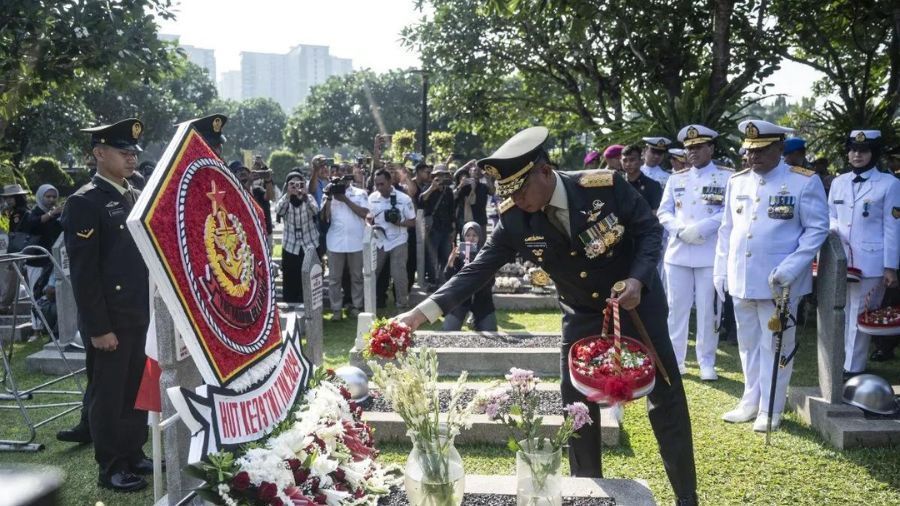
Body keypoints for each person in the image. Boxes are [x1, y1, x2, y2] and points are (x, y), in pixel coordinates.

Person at [396, 127, 697, 504]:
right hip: (582, 313)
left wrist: (637, 279)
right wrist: (418, 316)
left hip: (636, 307)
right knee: (577, 411)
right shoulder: (514, 219)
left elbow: (650, 231)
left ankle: (688, 497)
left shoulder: (604, 186)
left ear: (544, 171)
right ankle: (588, 492)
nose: (517, 200)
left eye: (521, 190)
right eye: (509, 193)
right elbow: (476, 272)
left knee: (666, 399)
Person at [714, 120, 828, 432]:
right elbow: (727, 230)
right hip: (741, 279)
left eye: (762, 150)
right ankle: (750, 400)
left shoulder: (803, 181)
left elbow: (816, 229)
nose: (754, 157)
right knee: (748, 343)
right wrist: (720, 270)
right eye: (750, 151)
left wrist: (793, 267)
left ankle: (771, 408)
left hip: (780, 284)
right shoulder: (737, 182)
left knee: (776, 345)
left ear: (779, 148)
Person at [60, 118, 152, 491]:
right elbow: (84, 274)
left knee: (135, 387)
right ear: (99, 153)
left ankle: (132, 451)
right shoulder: (85, 202)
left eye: (133, 153)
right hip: (110, 317)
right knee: (108, 391)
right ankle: (111, 464)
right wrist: (98, 327)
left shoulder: (134, 193)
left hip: (138, 311)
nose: (131, 159)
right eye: (123, 152)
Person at [658, 125, 732, 380]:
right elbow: (663, 211)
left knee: (707, 310)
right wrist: (679, 230)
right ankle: (675, 359)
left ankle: (706, 361)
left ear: (711, 148)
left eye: (699, 147)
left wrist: (702, 228)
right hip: (678, 253)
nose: (693, 152)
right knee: (676, 309)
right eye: (689, 148)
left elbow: (729, 213)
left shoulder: (727, 177)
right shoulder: (676, 178)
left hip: (708, 252)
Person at [827, 130, 900, 377]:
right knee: (843, 311)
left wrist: (890, 266)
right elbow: (831, 218)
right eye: (853, 150)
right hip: (841, 259)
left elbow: (893, 227)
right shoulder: (838, 182)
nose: (857, 154)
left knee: (860, 313)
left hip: (871, 260)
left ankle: (853, 367)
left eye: (864, 150)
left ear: (874, 154)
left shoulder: (890, 184)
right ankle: (842, 360)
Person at [322, 165, 369, 321]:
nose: (341, 175)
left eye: (345, 173)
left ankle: (356, 306)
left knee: (356, 276)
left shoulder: (360, 193)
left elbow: (365, 214)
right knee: (334, 278)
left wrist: (345, 199)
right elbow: (325, 217)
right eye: (338, 172)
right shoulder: (329, 193)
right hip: (335, 242)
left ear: (350, 176)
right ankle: (336, 309)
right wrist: (329, 197)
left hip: (356, 240)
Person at [368, 169, 416, 308]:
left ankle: (402, 304)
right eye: (377, 184)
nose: (379, 187)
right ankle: (369, 303)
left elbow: (413, 221)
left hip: (398, 240)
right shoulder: (372, 197)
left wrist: (399, 222)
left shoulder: (403, 198)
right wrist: (369, 224)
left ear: (390, 182)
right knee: (372, 272)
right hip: (379, 240)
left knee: (399, 274)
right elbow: (368, 217)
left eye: (382, 184)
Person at [23, 184, 63, 335]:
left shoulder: (58, 213)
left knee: (51, 292)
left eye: (54, 197)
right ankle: (36, 329)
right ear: (40, 197)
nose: (51, 200)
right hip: (36, 259)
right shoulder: (33, 212)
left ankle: (48, 325)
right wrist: (52, 214)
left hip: (53, 258)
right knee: (36, 292)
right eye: (48, 196)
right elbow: (33, 224)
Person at [441, 221, 497, 331]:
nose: (471, 238)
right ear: (463, 236)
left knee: (491, 332)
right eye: (468, 235)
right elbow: (448, 278)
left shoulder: (485, 253)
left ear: (480, 237)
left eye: (474, 235)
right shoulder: (458, 253)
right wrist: (451, 262)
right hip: (459, 300)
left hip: (482, 301)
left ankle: (474, 320)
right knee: (448, 331)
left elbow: (491, 281)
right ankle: (471, 319)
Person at [275, 171, 320, 304]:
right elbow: (279, 211)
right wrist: (288, 194)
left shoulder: (308, 197)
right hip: (291, 245)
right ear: (287, 185)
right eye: (292, 184)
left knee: (309, 276)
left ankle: (311, 306)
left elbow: (315, 211)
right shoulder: (285, 199)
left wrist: (305, 196)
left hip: (309, 243)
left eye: (299, 184)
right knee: (290, 277)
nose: (296, 187)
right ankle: (291, 305)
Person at [418, 164, 456, 288]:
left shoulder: (448, 191)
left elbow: (452, 210)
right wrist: (432, 188)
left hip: (446, 229)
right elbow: (421, 201)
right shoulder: (427, 188)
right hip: (433, 229)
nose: (441, 178)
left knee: (446, 255)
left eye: (443, 175)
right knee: (432, 256)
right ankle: (433, 281)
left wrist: (453, 228)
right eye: (438, 175)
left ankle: (444, 280)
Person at [230, 160, 276, 252]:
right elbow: (243, 197)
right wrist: (249, 182)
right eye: (238, 171)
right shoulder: (232, 194)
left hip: (263, 235)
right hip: (243, 237)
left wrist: (268, 180)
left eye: (244, 170)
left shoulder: (258, 190)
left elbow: (270, 196)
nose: (242, 173)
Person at [453, 160, 492, 245]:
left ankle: (479, 259)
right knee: (467, 246)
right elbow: (453, 195)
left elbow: (492, 192)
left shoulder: (483, 186)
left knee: (481, 244)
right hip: (466, 221)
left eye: (479, 170)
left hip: (481, 219)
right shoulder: (464, 185)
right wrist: (461, 185)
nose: (477, 172)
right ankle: (467, 258)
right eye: (474, 170)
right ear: (469, 172)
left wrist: (488, 178)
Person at [619, 145, 663, 211]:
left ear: (641, 161)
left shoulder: (653, 186)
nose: (628, 164)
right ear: (621, 162)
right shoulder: (617, 184)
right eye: (625, 160)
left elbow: (655, 213)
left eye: (632, 160)